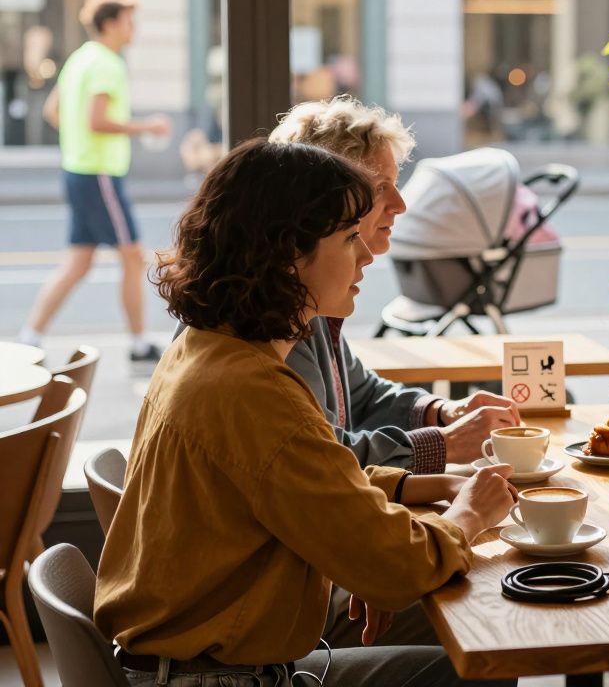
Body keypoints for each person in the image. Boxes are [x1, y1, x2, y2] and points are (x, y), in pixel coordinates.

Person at [96, 138, 517, 686]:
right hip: (221, 678)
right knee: (482, 660)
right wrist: (471, 514)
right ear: (288, 254)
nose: (366, 254)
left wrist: (424, 486)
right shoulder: (255, 392)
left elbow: (300, 475)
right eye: (348, 238)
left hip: (192, 662)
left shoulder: (211, 349)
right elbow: (398, 567)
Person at [265, 95, 522, 647]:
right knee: (486, 625)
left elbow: (351, 409)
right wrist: (444, 460)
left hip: (295, 581)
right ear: (320, 204)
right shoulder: (262, 353)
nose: (401, 204)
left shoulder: (292, 312)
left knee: (473, 602)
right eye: (381, 188)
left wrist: (442, 415)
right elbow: (328, 456)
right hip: (270, 632)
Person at [19, 0, 171, 361]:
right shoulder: (106, 63)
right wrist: (147, 128)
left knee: (79, 261)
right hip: (100, 172)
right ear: (111, 24)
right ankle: (138, 343)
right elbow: (98, 120)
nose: (133, 28)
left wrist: (77, 140)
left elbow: (53, 111)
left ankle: (30, 336)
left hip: (78, 169)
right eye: (129, 20)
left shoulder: (79, 59)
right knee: (134, 256)